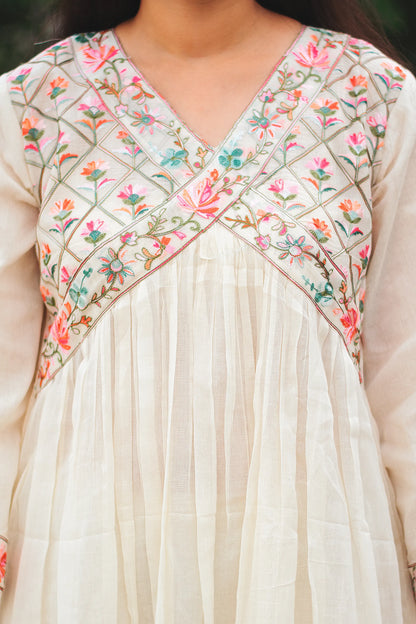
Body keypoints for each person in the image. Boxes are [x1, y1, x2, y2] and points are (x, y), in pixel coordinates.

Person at [0, 0, 415, 620]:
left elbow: (404, 363)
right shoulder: (34, 103)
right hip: (90, 556)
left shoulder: (373, 95)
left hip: (314, 558)